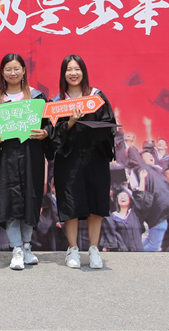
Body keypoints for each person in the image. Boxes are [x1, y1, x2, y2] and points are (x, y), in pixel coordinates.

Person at [48, 54, 116, 270]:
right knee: (70, 203)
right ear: (63, 74)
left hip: (95, 158)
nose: (73, 73)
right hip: (68, 161)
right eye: (69, 69)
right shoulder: (56, 103)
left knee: (96, 203)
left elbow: (109, 124)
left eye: (77, 69)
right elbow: (52, 135)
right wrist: (71, 122)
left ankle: (94, 249)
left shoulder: (97, 97)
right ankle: (73, 249)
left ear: (83, 72)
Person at [0, 53, 52, 271]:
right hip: (5, 158)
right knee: (9, 201)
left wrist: (45, 133)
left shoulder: (37, 97)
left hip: (30, 156)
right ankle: (16, 248)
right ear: (2, 72)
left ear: (24, 71)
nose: (13, 73)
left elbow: (49, 125)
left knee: (29, 200)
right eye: (8, 69)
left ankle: (27, 246)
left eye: (17, 68)